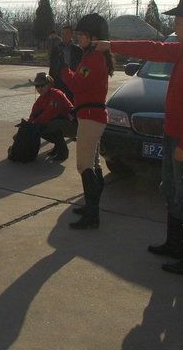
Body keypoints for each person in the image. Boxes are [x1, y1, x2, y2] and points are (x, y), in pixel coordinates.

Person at [94, 0, 183, 277]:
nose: (174, 26)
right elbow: (152, 49)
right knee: (172, 191)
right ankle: (175, 244)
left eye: (178, 21)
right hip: (173, 134)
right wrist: (112, 45)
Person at [58, 14, 113, 229]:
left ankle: (92, 214)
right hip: (91, 115)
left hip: (91, 117)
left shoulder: (92, 59)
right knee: (93, 163)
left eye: (82, 35)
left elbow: (76, 85)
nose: (78, 38)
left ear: (93, 38)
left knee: (84, 165)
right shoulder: (92, 57)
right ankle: (92, 207)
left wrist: (63, 69)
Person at [27, 72, 75, 161]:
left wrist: (35, 123)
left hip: (73, 125)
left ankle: (63, 152)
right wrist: (28, 124)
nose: (39, 88)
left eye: (42, 85)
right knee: (40, 127)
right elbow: (34, 113)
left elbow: (49, 113)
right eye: (37, 86)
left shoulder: (56, 94)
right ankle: (58, 146)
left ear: (48, 85)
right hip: (61, 124)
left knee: (50, 125)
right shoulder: (41, 99)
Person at [49, 25, 83, 101]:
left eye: (67, 33)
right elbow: (52, 67)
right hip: (58, 83)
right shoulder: (56, 49)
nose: (64, 36)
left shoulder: (78, 50)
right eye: (63, 33)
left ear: (72, 35)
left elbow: (83, 67)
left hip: (73, 83)